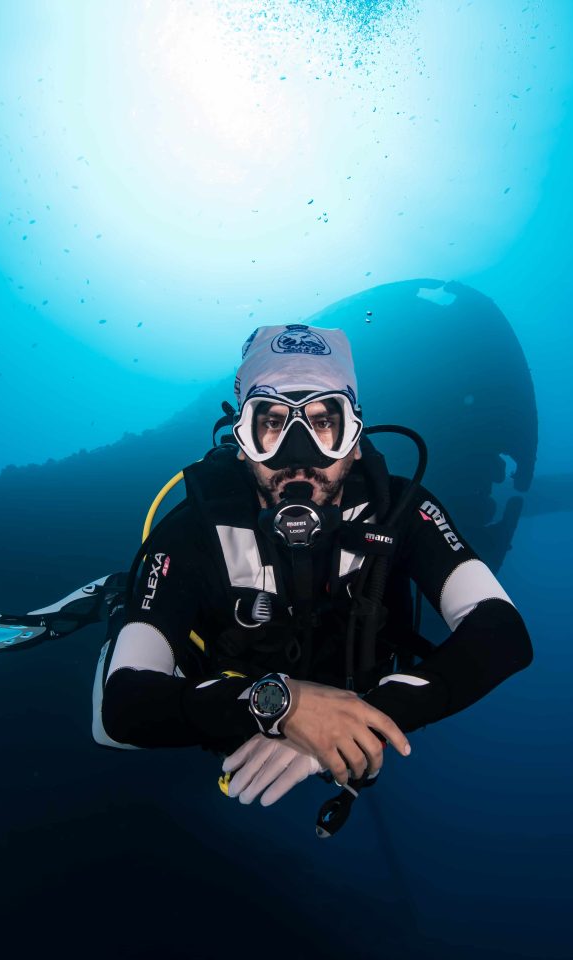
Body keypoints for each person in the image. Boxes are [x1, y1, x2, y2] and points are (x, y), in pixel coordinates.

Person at [96, 324, 533, 810]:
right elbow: (123, 707)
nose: (298, 457)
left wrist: (352, 720)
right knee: (112, 725)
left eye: (325, 423)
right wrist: (283, 707)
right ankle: (119, 601)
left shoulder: (402, 511)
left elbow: (502, 633)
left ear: (356, 439)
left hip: (329, 700)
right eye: (272, 422)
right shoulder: (194, 531)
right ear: (243, 443)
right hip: (231, 693)